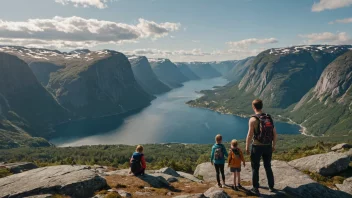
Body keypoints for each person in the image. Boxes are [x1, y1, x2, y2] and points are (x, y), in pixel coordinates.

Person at [245, 99, 278, 195]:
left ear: (253, 107)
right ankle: (271, 186)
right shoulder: (269, 117)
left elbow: (250, 135)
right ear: (261, 106)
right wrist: (273, 145)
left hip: (257, 146)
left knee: (255, 167)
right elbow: (275, 134)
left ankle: (255, 188)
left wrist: (247, 147)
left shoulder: (253, 119)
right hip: (268, 146)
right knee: (268, 166)